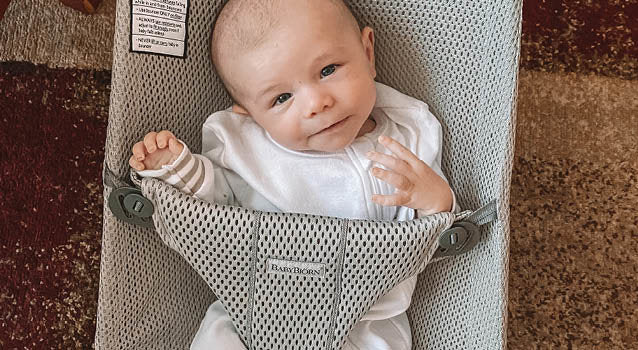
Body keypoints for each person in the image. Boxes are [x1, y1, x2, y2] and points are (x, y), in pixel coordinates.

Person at [129, 0, 457, 348]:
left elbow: (431, 235)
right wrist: (179, 170)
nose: (316, 103)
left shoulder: (408, 135)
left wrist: (436, 199)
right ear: (251, 115)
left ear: (367, 52)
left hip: (363, 323)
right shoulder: (248, 149)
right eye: (282, 97)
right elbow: (216, 208)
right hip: (254, 312)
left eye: (329, 70)